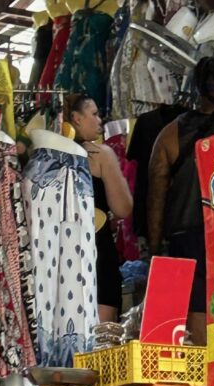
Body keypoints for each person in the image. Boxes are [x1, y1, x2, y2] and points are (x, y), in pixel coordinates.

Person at [147, 55, 214, 345]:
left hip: (185, 239)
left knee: (185, 332)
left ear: (195, 88)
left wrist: (155, 251)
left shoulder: (169, 136)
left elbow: (156, 199)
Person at [66, 94, 133, 323]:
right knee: (101, 338)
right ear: (76, 118)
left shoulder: (44, 158)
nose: (100, 120)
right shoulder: (100, 155)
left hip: (59, 257)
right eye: (93, 114)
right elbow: (123, 207)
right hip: (96, 253)